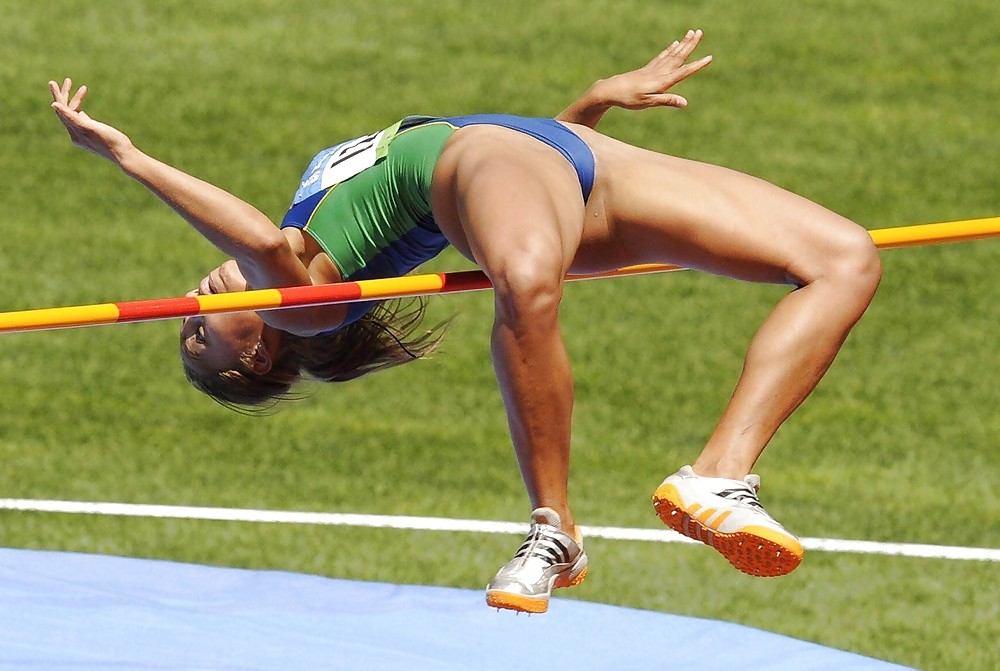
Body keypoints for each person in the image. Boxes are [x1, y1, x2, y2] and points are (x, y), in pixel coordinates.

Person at [49, 29, 881, 614]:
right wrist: (128, 156)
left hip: (568, 163)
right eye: (203, 333)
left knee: (846, 257)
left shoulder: (309, 254)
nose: (195, 306)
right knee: (524, 281)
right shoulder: (305, 304)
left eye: (188, 320)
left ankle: (720, 475)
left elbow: (522, 187)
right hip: (491, 166)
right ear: (261, 351)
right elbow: (261, 239)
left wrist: (585, 107)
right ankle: (553, 529)